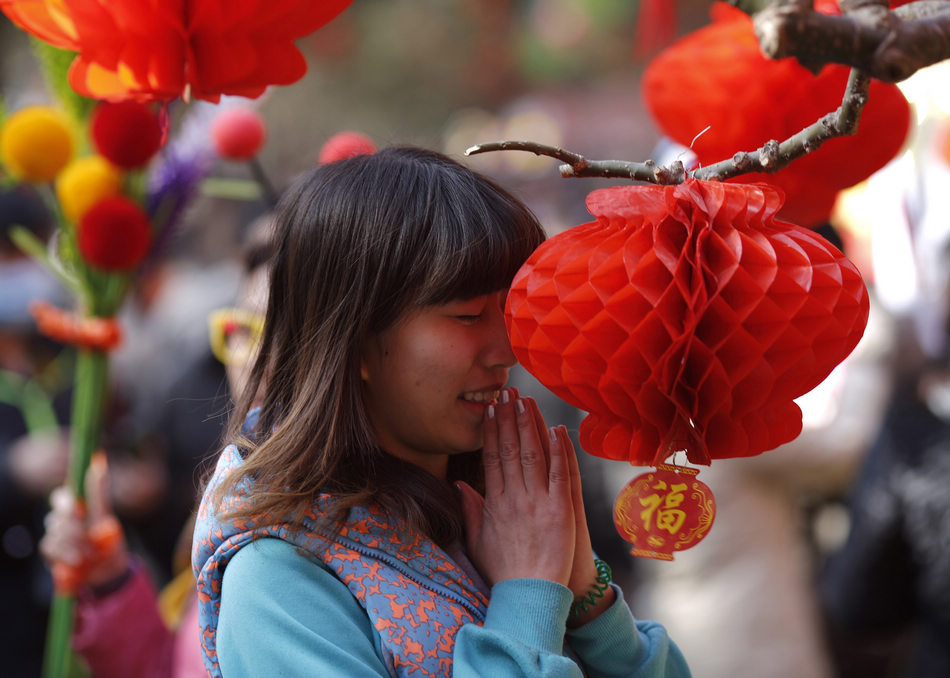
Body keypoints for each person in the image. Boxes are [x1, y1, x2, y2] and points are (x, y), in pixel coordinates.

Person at [192, 146, 691, 677]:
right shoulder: (277, 581)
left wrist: (586, 598)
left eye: (511, 308)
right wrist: (529, 594)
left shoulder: (481, 512)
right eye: (468, 314)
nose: (509, 349)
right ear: (354, 341)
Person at [38, 225, 273, 678]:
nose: (261, 360)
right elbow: (174, 667)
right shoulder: (231, 502)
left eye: (295, 329)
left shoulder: (377, 544)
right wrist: (110, 580)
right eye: (243, 329)